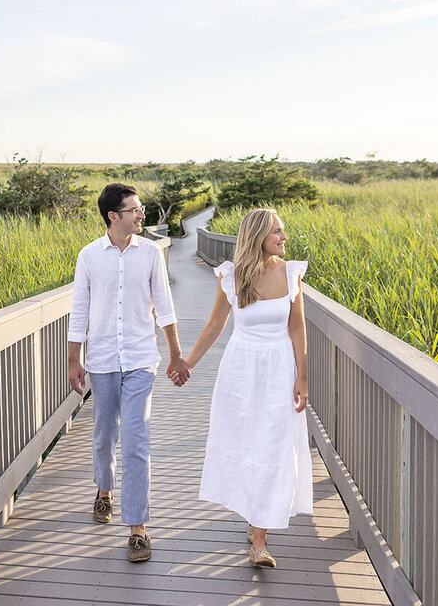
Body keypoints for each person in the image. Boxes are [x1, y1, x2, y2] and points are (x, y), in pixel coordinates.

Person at [178, 207, 313, 568]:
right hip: (240, 371)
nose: (284, 237)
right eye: (277, 233)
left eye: (283, 231)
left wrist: (302, 376)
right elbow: (213, 326)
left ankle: (259, 539)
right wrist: (187, 364)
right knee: (246, 445)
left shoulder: (291, 273)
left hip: (280, 369)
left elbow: (297, 328)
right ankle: (252, 519)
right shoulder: (231, 276)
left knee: (272, 446)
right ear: (258, 238)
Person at [68, 183, 189, 562]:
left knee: (136, 441)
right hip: (102, 362)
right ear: (113, 216)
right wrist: (75, 360)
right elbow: (79, 313)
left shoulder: (151, 253)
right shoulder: (89, 256)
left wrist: (176, 355)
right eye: (135, 210)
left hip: (140, 360)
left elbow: (164, 309)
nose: (142, 214)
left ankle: (137, 527)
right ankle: (104, 490)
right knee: (105, 437)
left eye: (142, 208)